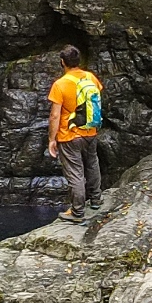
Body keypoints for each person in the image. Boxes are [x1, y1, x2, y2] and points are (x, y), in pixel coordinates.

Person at [45, 45, 104, 223]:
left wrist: (51, 139)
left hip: (69, 135)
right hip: (90, 130)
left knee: (75, 173)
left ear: (62, 62)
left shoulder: (60, 84)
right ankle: (96, 199)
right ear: (79, 61)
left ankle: (77, 212)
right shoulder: (90, 77)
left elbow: (55, 115)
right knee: (92, 163)